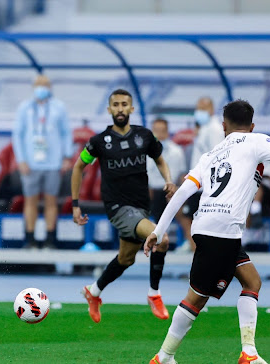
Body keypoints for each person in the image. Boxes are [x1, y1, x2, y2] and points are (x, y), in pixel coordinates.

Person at [145, 100, 270, 364]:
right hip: (223, 232)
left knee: (252, 282)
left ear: (223, 126)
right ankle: (164, 357)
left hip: (207, 227)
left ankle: (249, 352)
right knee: (196, 298)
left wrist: (158, 230)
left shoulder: (210, 155)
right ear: (253, 125)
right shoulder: (258, 141)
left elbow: (182, 193)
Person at [71, 89, 177, 323]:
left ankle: (94, 291)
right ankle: (154, 293)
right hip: (118, 207)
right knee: (162, 238)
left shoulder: (144, 136)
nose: (120, 108)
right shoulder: (99, 142)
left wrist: (168, 180)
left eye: (124, 104)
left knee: (126, 259)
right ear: (109, 110)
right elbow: (78, 167)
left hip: (140, 207)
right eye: (115, 105)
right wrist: (75, 204)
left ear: (131, 108)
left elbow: (159, 159)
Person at [12, 74, 72, 249]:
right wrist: (21, 159)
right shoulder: (25, 107)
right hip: (30, 163)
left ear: (50, 87)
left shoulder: (58, 107)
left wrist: (67, 156)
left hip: (53, 162)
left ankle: (49, 239)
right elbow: (18, 134)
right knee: (30, 201)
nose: (42, 88)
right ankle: (29, 239)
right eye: (39, 85)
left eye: (45, 85)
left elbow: (66, 133)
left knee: (50, 201)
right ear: (33, 87)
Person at [179, 96, 226, 252]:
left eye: (203, 109)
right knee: (190, 218)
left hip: (205, 186)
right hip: (198, 184)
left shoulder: (214, 129)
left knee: (193, 219)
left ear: (212, 109)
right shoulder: (204, 128)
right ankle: (197, 250)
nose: (200, 112)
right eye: (198, 109)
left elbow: (217, 157)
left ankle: (199, 253)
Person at [146, 118, 191, 245]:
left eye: (162, 131)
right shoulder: (144, 152)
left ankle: (192, 246)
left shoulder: (176, 151)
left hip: (171, 192)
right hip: (151, 192)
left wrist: (182, 194)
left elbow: (181, 176)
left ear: (167, 132)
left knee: (183, 213)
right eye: (156, 131)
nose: (159, 135)